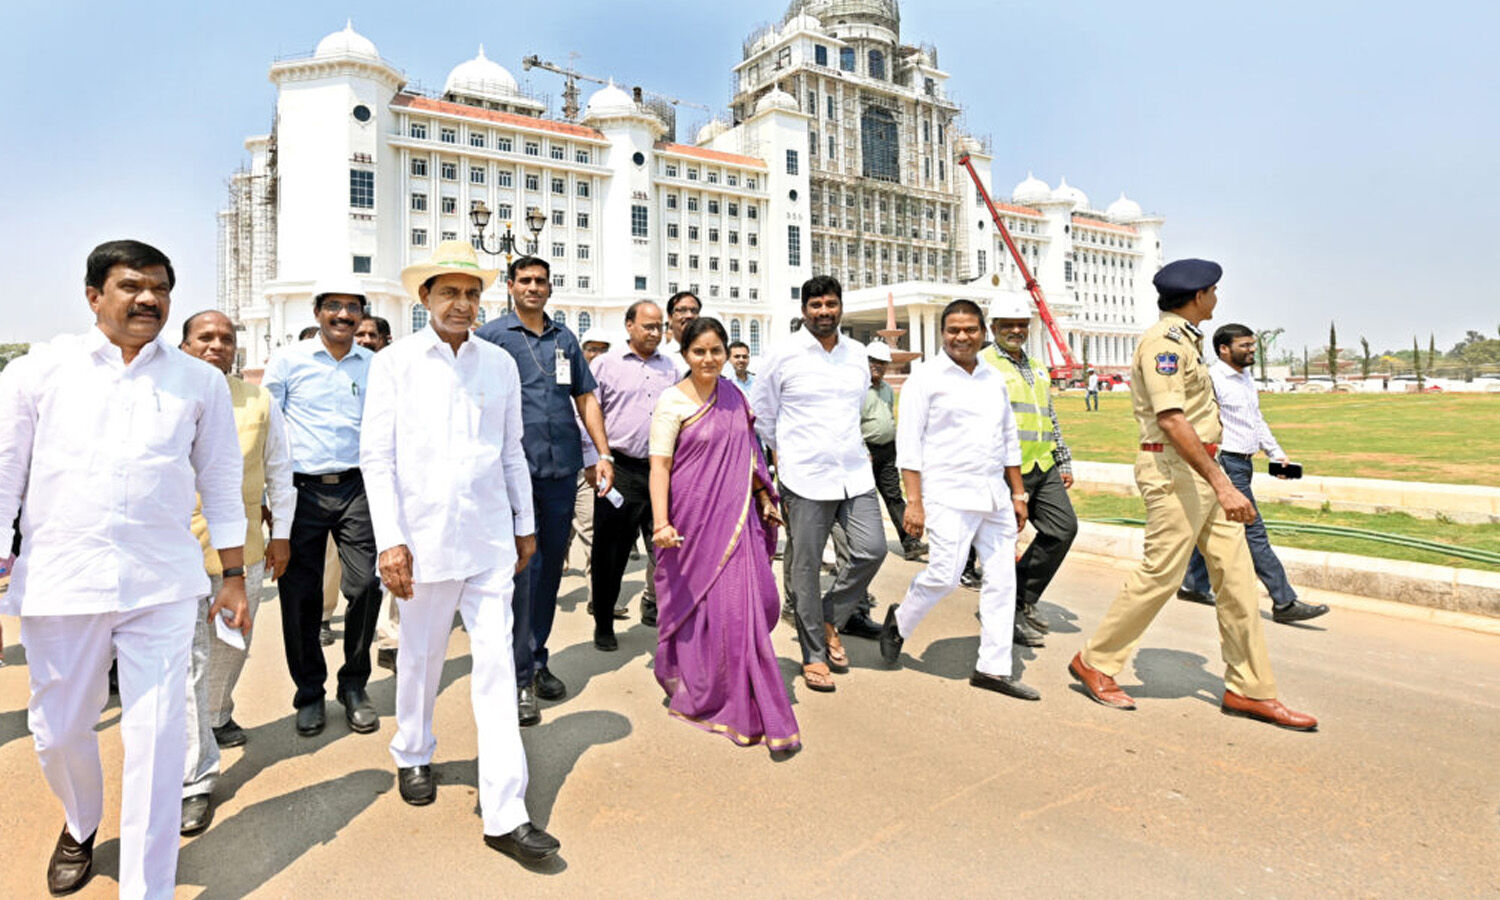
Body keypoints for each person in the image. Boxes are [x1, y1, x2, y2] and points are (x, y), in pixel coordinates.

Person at [0, 240, 249, 897]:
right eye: (131, 286)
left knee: (160, 739)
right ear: (93, 296)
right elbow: (2, 476)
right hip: (62, 583)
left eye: (161, 288)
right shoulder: (38, 373)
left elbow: (221, 483)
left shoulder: (198, 382)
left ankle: (148, 887)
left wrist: (234, 576)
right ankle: (81, 824)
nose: (148, 299)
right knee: (56, 732)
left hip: (162, 587)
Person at [362, 241, 560, 864]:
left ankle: (506, 812)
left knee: (498, 667)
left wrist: (525, 526)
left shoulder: (498, 364)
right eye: (449, 292)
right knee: (419, 659)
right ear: (424, 299)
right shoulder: (393, 364)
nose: (462, 304)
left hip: (489, 541)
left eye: (472, 294)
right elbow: (378, 458)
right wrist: (391, 540)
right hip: (420, 545)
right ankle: (413, 751)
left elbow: (510, 452)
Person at [1069, 259, 1318, 730]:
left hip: (1203, 466)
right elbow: (1172, 419)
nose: (1218, 298)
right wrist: (1223, 483)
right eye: (1214, 291)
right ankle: (1096, 662)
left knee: (1238, 580)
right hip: (1175, 470)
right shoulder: (1163, 344)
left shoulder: (1188, 341)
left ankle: (1250, 689)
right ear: (1199, 296)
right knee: (1161, 574)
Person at [648, 317, 800, 752]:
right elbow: (660, 466)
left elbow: (751, 456)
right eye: (700, 352)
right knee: (711, 611)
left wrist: (764, 497)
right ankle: (717, 691)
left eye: (716, 351)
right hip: (691, 521)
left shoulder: (735, 397)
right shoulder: (672, 402)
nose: (709, 359)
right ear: (686, 355)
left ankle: (740, 686)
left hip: (739, 519)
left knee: (755, 606)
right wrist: (661, 523)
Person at [476, 256, 612, 726]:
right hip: (509, 476)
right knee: (519, 573)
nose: (534, 287)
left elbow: (586, 397)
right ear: (510, 286)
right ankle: (514, 679)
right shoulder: (491, 337)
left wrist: (603, 453)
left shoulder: (565, 339)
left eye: (541, 281)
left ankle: (536, 660)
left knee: (550, 570)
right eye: (525, 280)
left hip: (560, 472)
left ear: (550, 288)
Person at [877, 300, 1037, 699]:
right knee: (945, 576)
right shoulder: (925, 379)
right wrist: (914, 503)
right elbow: (909, 445)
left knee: (1002, 581)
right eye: (953, 330)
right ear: (943, 332)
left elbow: (1007, 439)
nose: (961, 337)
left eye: (969, 329)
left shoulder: (993, 378)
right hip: (948, 494)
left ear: (982, 331)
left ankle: (993, 669)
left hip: (994, 495)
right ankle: (901, 621)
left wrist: (1018, 493)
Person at [177, 311, 296, 836]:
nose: (217, 345)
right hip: (173, 553)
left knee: (230, 649)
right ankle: (194, 780)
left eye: (226, 339)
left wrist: (284, 535)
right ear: (183, 345)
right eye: (205, 337)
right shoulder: (160, 396)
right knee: (188, 666)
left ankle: (217, 716)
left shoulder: (258, 402)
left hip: (240, 552)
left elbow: (279, 473)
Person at [751, 275, 886, 693]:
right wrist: (784, 456)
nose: (824, 312)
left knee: (871, 550)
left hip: (853, 472)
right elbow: (762, 413)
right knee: (806, 566)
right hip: (804, 476)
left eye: (830, 304)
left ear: (840, 306)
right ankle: (813, 653)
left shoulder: (858, 355)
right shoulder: (782, 354)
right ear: (804, 309)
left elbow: (855, 405)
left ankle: (829, 615)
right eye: (816, 305)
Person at [263, 276, 383, 738]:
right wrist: (267, 498)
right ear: (317, 313)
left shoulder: (374, 366)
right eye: (333, 306)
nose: (343, 315)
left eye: (352, 308)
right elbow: (268, 431)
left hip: (358, 488)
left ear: (361, 316)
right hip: (301, 491)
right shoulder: (288, 362)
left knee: (365, 587)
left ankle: (354, 684)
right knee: (300, 597)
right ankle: (309, 691)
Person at [1177, 324, 1329, 623]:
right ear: (1224, 349)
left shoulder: (1245, 378)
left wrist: (1276, 453)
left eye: (1252, 345)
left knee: (1211, 523)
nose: (1251, 350)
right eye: (1244, 345)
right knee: (1253, 528)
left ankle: (1193, 584)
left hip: (1245, 463)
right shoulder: (1213, 379)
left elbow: (1255, 420)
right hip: (1226, 462)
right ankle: (1284, 602)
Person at [980, 297, 1079, 648]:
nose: (1016, 330)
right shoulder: (983, 364)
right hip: (1004, 469)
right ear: (993, 328)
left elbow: (1048, 415)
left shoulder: (1037, 367)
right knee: (1003, 546)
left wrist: (1063, 459)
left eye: (1022, 323)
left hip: (1042, 464)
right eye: (1007, 323)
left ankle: (1022, 596)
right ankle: (1004, 616)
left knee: (1063, 528)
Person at [590, 300, 678, 650]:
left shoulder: (670, 368)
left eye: (660, 327)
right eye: (648, 326)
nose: (655, 333)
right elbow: (587, 411)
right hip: (619, 469)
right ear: (629, 326)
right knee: (610, 552)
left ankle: (663, 614)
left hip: (660, 470)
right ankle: (604, 622)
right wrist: (596, 457)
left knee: (665, 550)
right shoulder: (605, 365)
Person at [571, 328, 620, 616]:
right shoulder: (564, 377)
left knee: (593, 532)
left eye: (603, 349)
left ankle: (599, 599)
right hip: (560, 468)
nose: (596, 355)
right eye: (591, 348)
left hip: (594, 468)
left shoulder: (610, 384)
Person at [864, 341, 926, 562]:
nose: (878, 367)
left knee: (893, 496)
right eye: (874, 362)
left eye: (882, 364)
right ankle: (867, 545)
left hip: (888, 450)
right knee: (865, 501)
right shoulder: (858, 389)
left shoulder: (887, 390)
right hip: (865, 451)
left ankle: (910, 542)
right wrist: (862, 449)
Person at [659, 290, 701, 376]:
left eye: (694, 311)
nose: (689, 315)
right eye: (682, 310)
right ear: (670, 317)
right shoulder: (661, 356)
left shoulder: (712, 354)